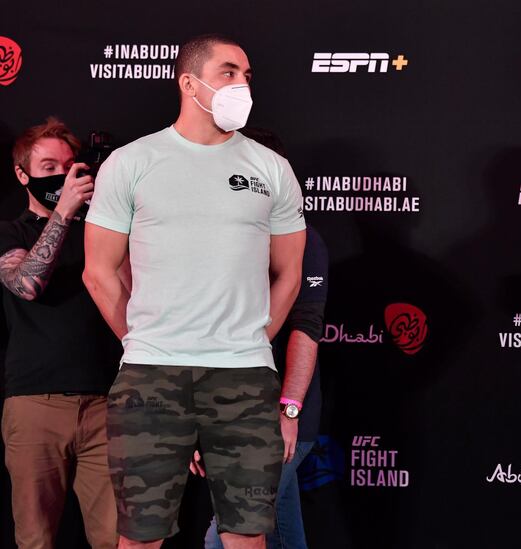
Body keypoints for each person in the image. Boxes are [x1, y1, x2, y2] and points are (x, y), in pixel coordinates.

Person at [83, 34, 306, 548]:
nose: (242, 85)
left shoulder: (271, 168)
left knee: (247, 537)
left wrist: (251, 338)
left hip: (245, 377)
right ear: (190, 82)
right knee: (140, 536)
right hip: (151, 377)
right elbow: (99, 271)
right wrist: (143, 339)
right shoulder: (131, 162)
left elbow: (290, 274)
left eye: (247, 76)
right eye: (229, 72)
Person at [0, 117, 121, 548]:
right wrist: (65, 211)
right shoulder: (9, 233)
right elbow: (24, 285)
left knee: (117, 538)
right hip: (35, 405)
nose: (61, 177)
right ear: (22, 174)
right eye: (48, 167)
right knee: (37, 539)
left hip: (107, 406)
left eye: (68, 167)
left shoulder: (102, 234)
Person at [202, 215, 329, 549]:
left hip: (280, 416)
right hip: (228, 409)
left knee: (226, 535)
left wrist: (288, 411)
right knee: (283, 533)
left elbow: (307, 326)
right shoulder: (220, 231)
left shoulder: (305, 239)